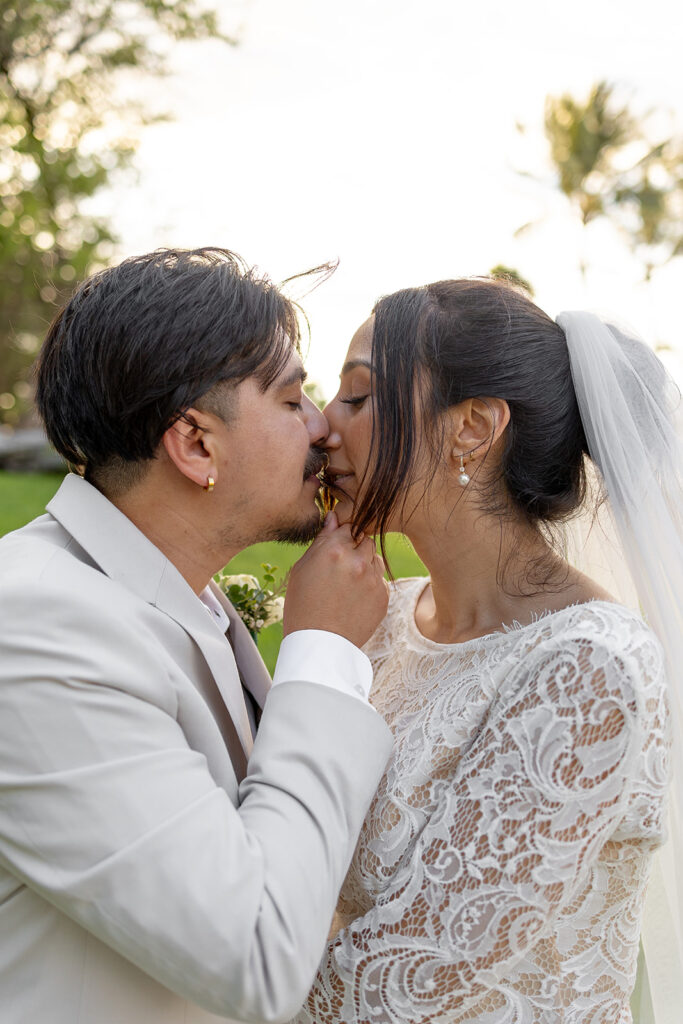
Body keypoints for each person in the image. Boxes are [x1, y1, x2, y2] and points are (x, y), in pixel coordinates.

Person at [0, 247, 394, 1024]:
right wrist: (322, 652)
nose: (321, 429)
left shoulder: (174, 594)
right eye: (291, 402)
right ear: (195, 443)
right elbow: (254, 954)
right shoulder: (33, 626)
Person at [292, 278, 682, 1023]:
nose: (321, 426)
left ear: (472, 427)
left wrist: (196, 984)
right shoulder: (377, 619)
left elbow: (405, 982)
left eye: (358, 396)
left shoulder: (591, 667)